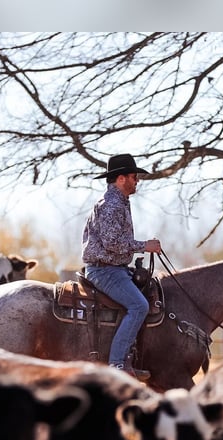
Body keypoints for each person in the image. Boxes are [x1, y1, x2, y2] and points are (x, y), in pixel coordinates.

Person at [81, 153, 162, 379]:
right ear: (120, 179)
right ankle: (116, 364)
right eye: (134, 176)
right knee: (139, 307)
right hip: (104, 269)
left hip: (112, 267)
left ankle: (129, 355)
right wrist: (144, 245)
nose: (137, 180)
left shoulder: (118, 203)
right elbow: (112, 242)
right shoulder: (111, 205)